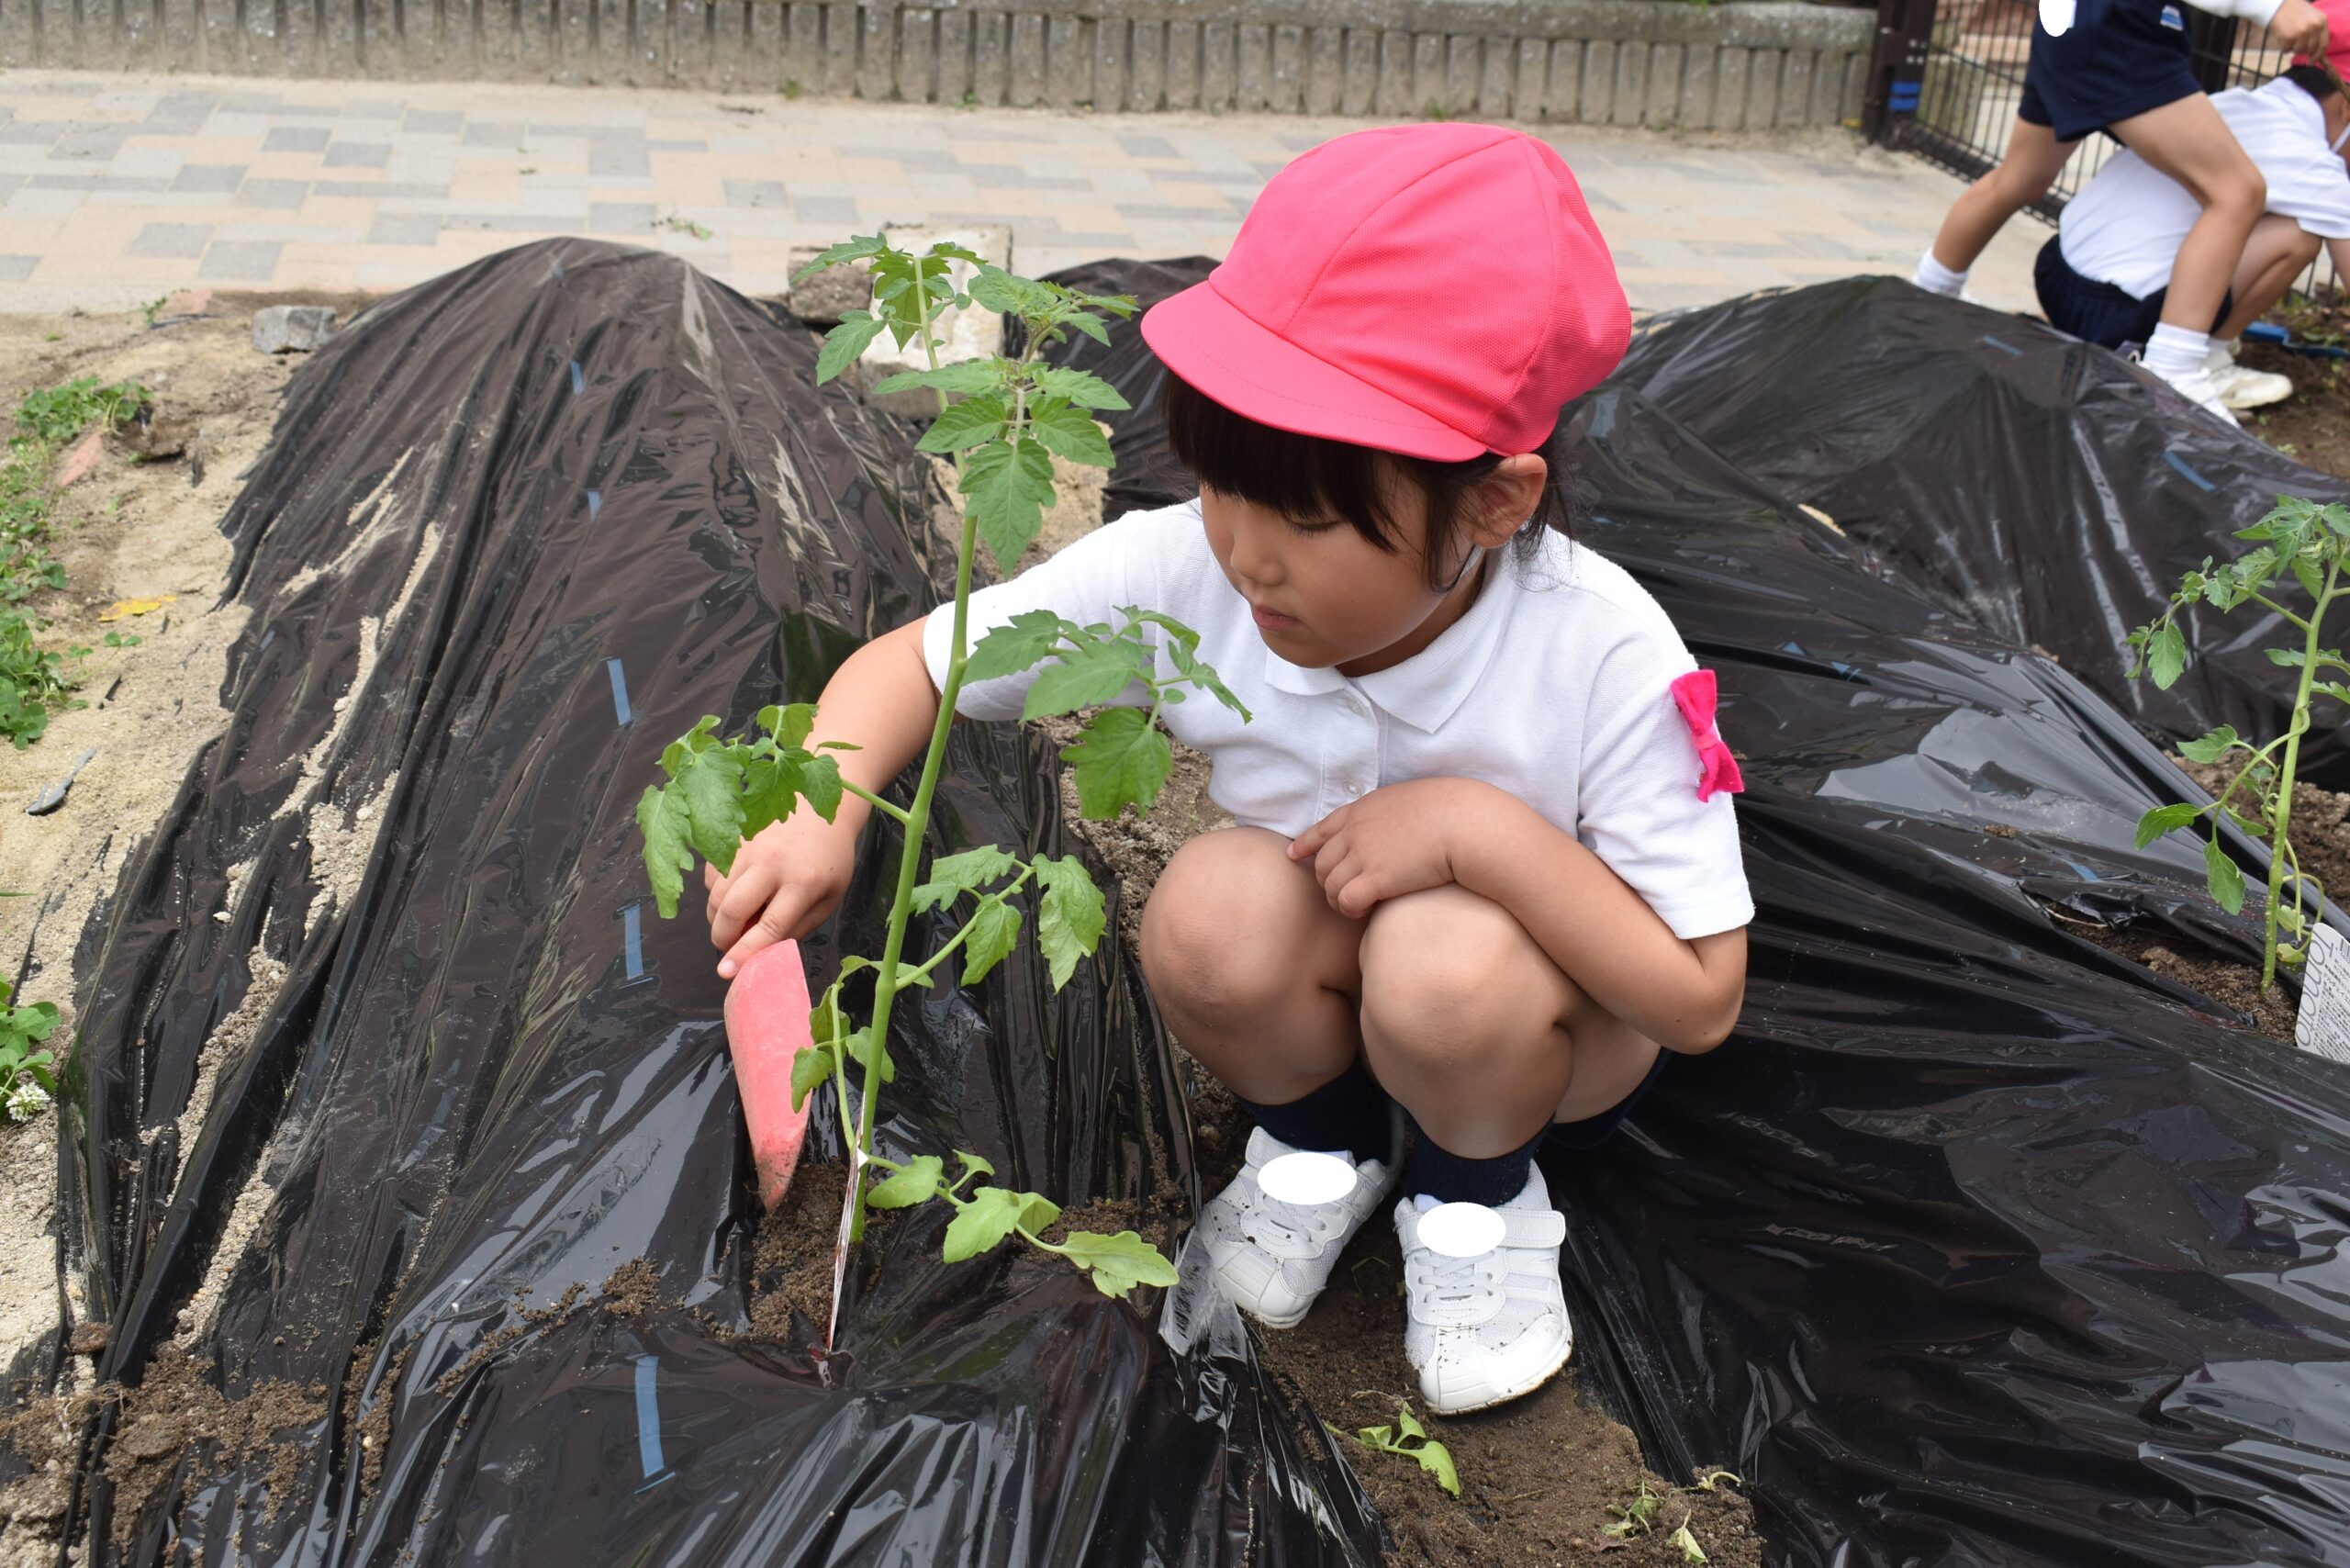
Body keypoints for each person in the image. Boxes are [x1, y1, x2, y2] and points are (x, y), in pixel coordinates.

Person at [699, 124, 1753, 1417]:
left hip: (1541, 1037)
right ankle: (1323, 1147)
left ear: (1494, 502)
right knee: (1205, 913)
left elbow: (1700, 1000)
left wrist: (1476, 834)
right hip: (1337, 980)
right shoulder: (1184, 573)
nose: (1247, 555)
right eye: (1218, 488)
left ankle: (1478, 1202)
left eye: (1305, 518)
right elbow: (917, 662)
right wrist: (823, 809)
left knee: (1447, 962)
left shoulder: (1603, 651)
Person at [1910, 0, 2331, 419]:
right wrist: (2271, 7)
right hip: (2120, 29)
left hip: (2072, 20)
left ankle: (1928, 293)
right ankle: (2174, 368)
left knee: (2022, 176)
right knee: (2237, 192)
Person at [2037, 60, 2350, 415]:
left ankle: (2190, 347)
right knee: (2297, 236)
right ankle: (2194, 363)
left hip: (2055, 270)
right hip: (2113, 315)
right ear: (2344, 105)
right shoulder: (2312, 161)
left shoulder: (2238, 102)